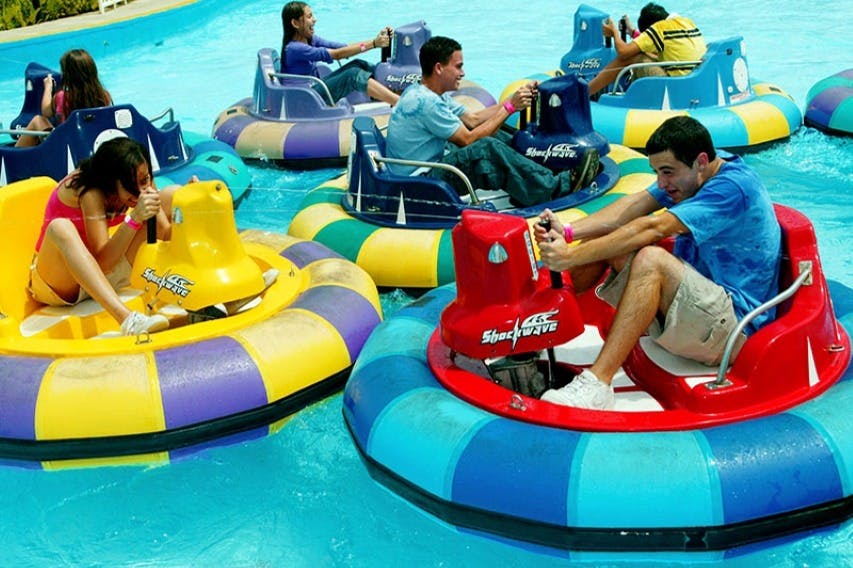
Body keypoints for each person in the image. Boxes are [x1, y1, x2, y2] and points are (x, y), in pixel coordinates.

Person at [534, 115, 781, 409]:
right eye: (656, 173)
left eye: (667, 172)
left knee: (651, 258)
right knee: (610, 243)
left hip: (733, 329)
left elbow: (654, 228)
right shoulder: (697, 171)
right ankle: (535, 328)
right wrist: (570, 231)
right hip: (701, 310)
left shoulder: (732, 188)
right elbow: (631, 208)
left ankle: (597, 384)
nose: (661, 183)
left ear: (701, 161)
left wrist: (568, 257)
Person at [385, 36, 599, 207]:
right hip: (420, 183)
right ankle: (557, 187)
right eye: (458, 66)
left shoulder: (428, 92)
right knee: (486, 147)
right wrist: (510, 108)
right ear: (439, 68)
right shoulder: (426, 103)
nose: (463, 73)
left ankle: (537, 174)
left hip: (429, 164)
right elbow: (468, 140)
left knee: (495, 131)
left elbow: (473, 119)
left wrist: (514, 98)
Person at [29, 137, 172, 336]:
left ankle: (191, 283)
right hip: (62, 282)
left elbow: (163, 231)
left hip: (103, 276)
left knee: (173, 195)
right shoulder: (89, 191)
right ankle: (128, 319)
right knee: (60, 228)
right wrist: (135, 218)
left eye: (145, 179)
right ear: (111, 183)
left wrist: (192, 202)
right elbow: (103, 262)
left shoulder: (140, 175)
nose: (140, 190)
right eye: (131, 184)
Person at [280, 1, 399, 106]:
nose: (314, 19)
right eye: (309, 16)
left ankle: (393, 91)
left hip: (313, 90)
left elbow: (344, 48)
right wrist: (374, 44)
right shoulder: (294, 48)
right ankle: (399, 103)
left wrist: (377, 39)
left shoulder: (311, 40)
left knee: (359, 64)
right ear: (295, 23)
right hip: (304, 100)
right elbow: (337, 54)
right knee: (352, 75)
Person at [587, 3, 706, 97]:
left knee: (633, 57)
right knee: (645, 53)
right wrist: (633, 32)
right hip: (694, 83)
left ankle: (585, 93)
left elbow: (623, 53)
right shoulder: (686, 22)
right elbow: (652, 47)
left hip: (675, 88)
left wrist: (614, 32)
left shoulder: (660, 28)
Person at [15, 48, 113, 147]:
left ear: (68, 75)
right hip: (91, 139)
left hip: (65, 144)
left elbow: (46, 111)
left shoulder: (62, 97)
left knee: (38, 120)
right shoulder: (104, 95)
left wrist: (48, 87)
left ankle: (14, 157)